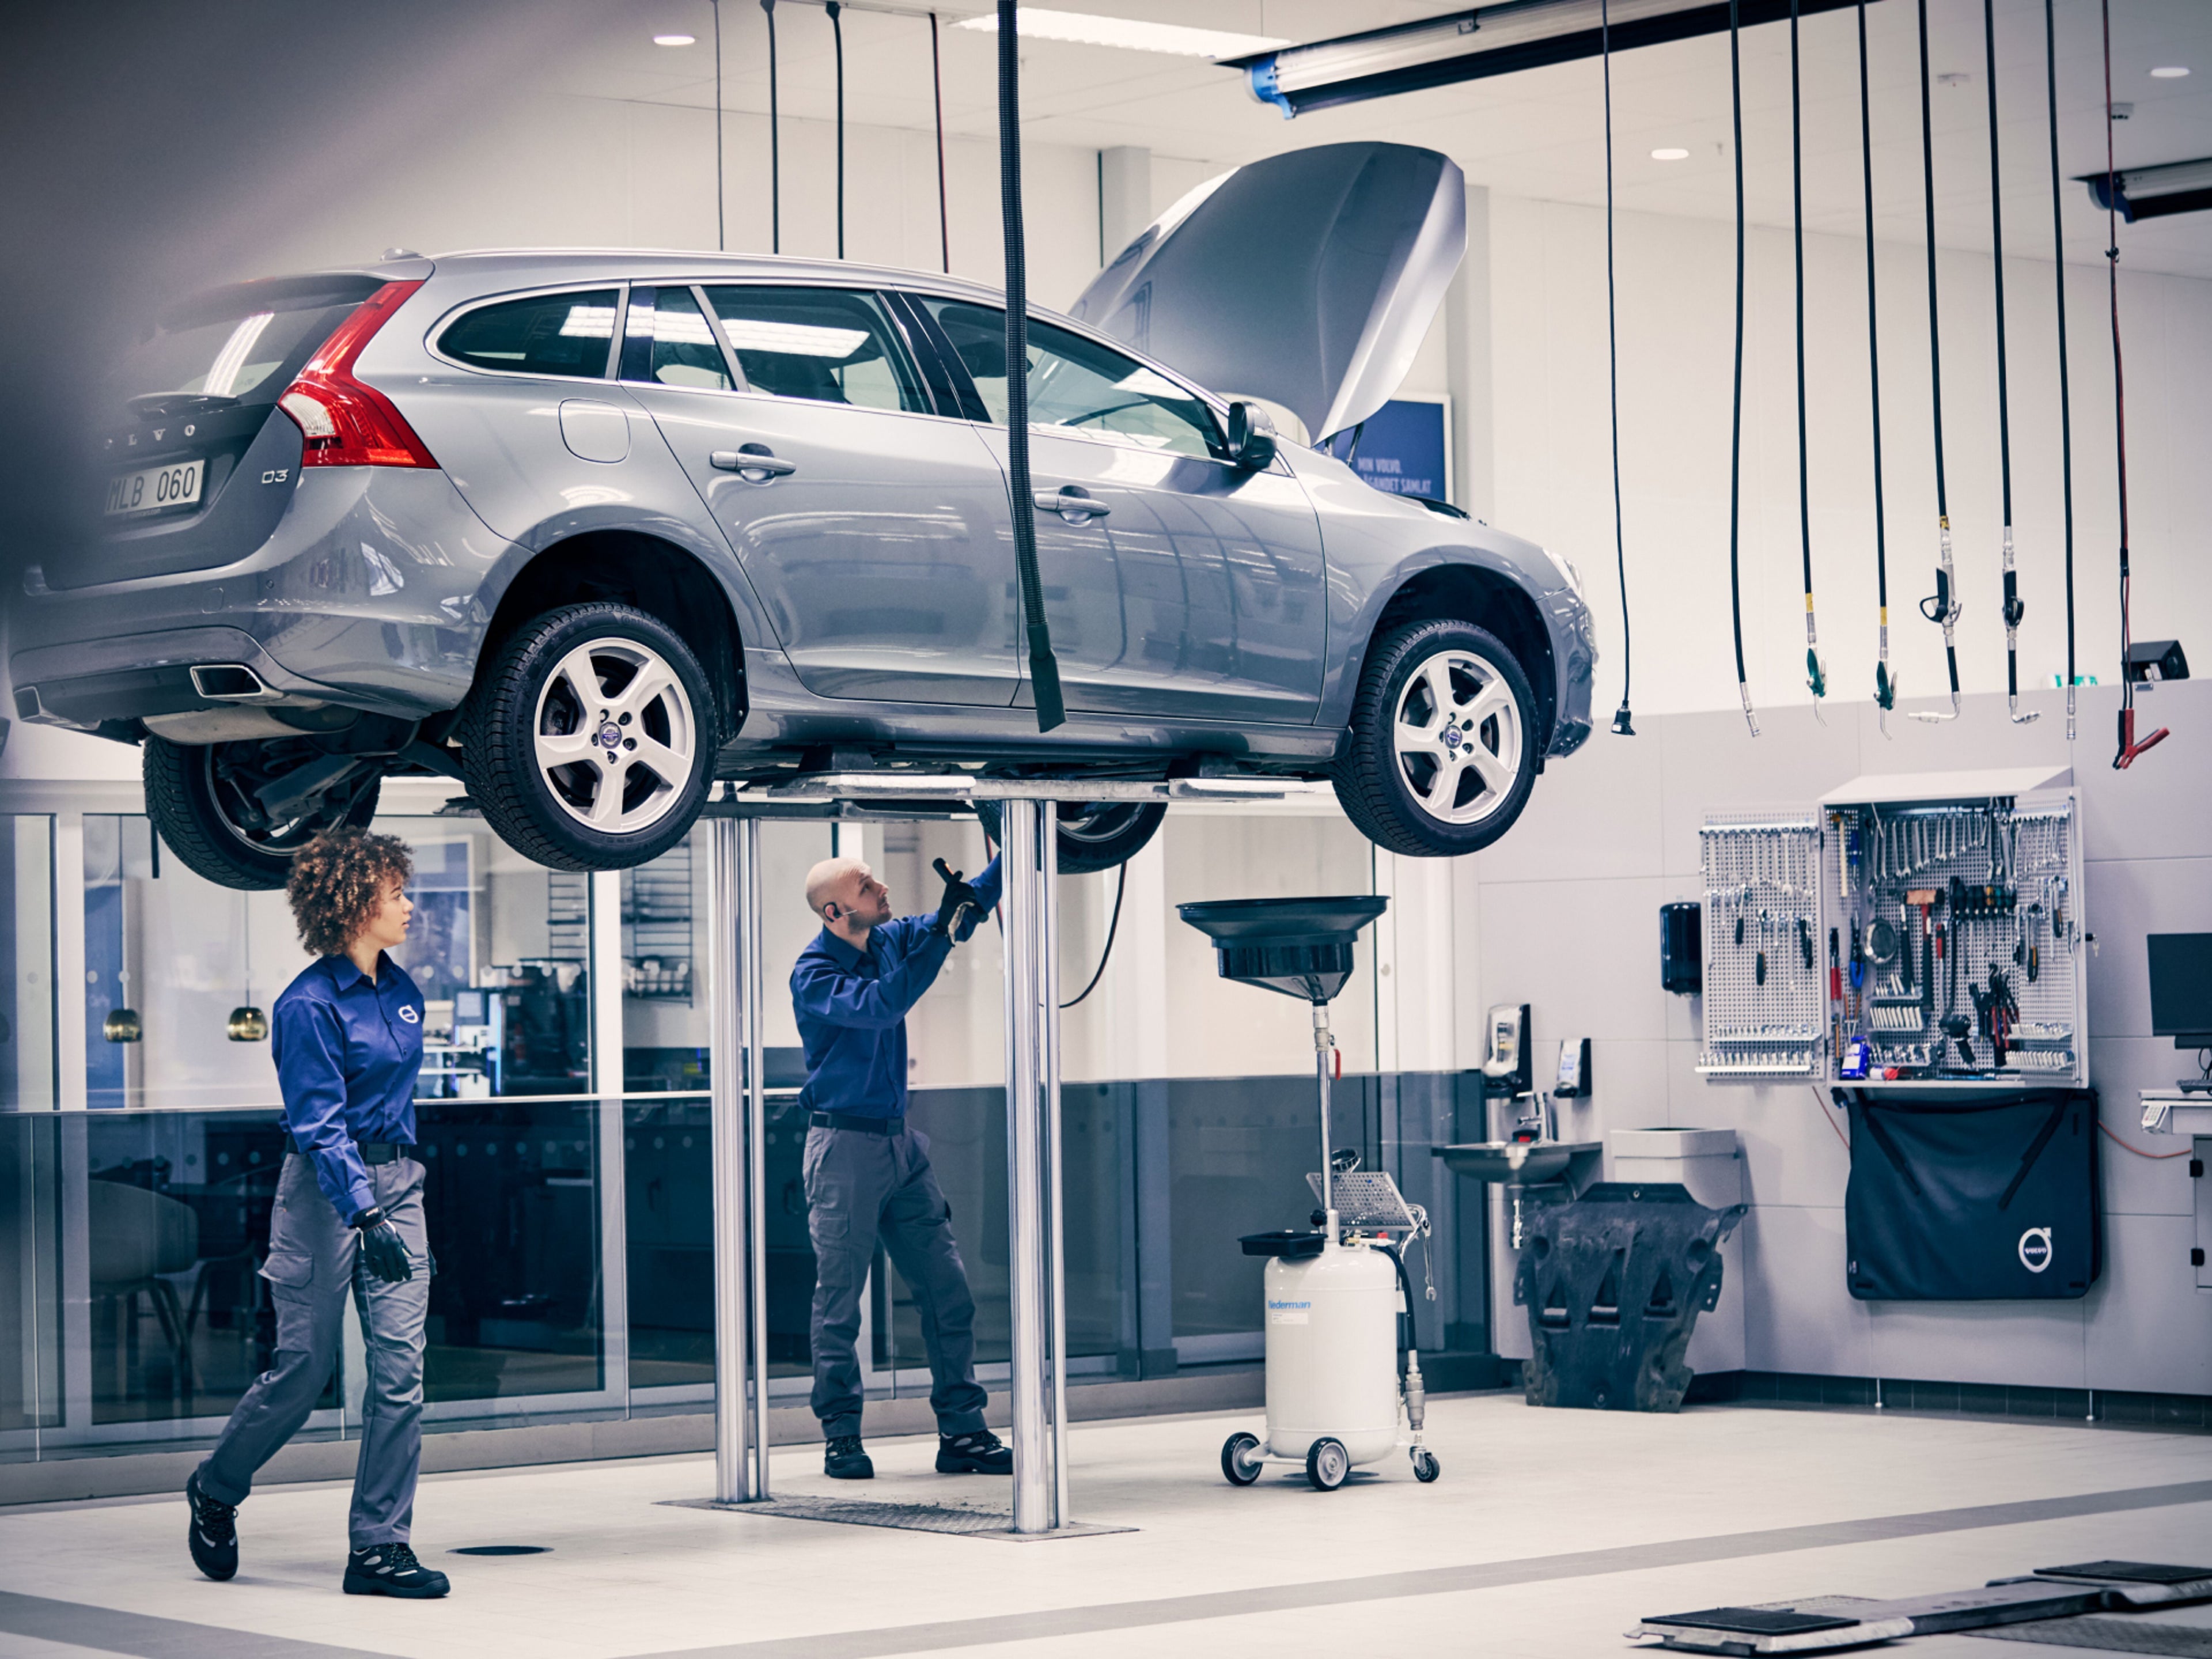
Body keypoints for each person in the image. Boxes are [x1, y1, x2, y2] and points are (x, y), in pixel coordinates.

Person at [184, 828, 449, 1600]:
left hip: (399, 1183)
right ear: (354, 902)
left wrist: (396, 1207)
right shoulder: (305, 1005)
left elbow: (393, 1106)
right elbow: (319, 1123)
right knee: (304, 1371)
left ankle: (378, 1546)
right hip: (323, 1195)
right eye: (397, 893)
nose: (409, 905)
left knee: (401, 1374)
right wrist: (364, 1217)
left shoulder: (404, 994)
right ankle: (217, 1486)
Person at [792, 850, 1012, 1480]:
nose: (882, 887)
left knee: (949, 1291)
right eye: (866, 885)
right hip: (843, 1150)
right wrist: (943, 934)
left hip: (900, 1145)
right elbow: (883, 1005)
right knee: (839, 1302)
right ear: (837, 913)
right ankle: (841, 1435)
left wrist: (1005, 851)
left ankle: (963, 1432)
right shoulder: (814, 975)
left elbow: (964, 910)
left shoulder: (889, 938)